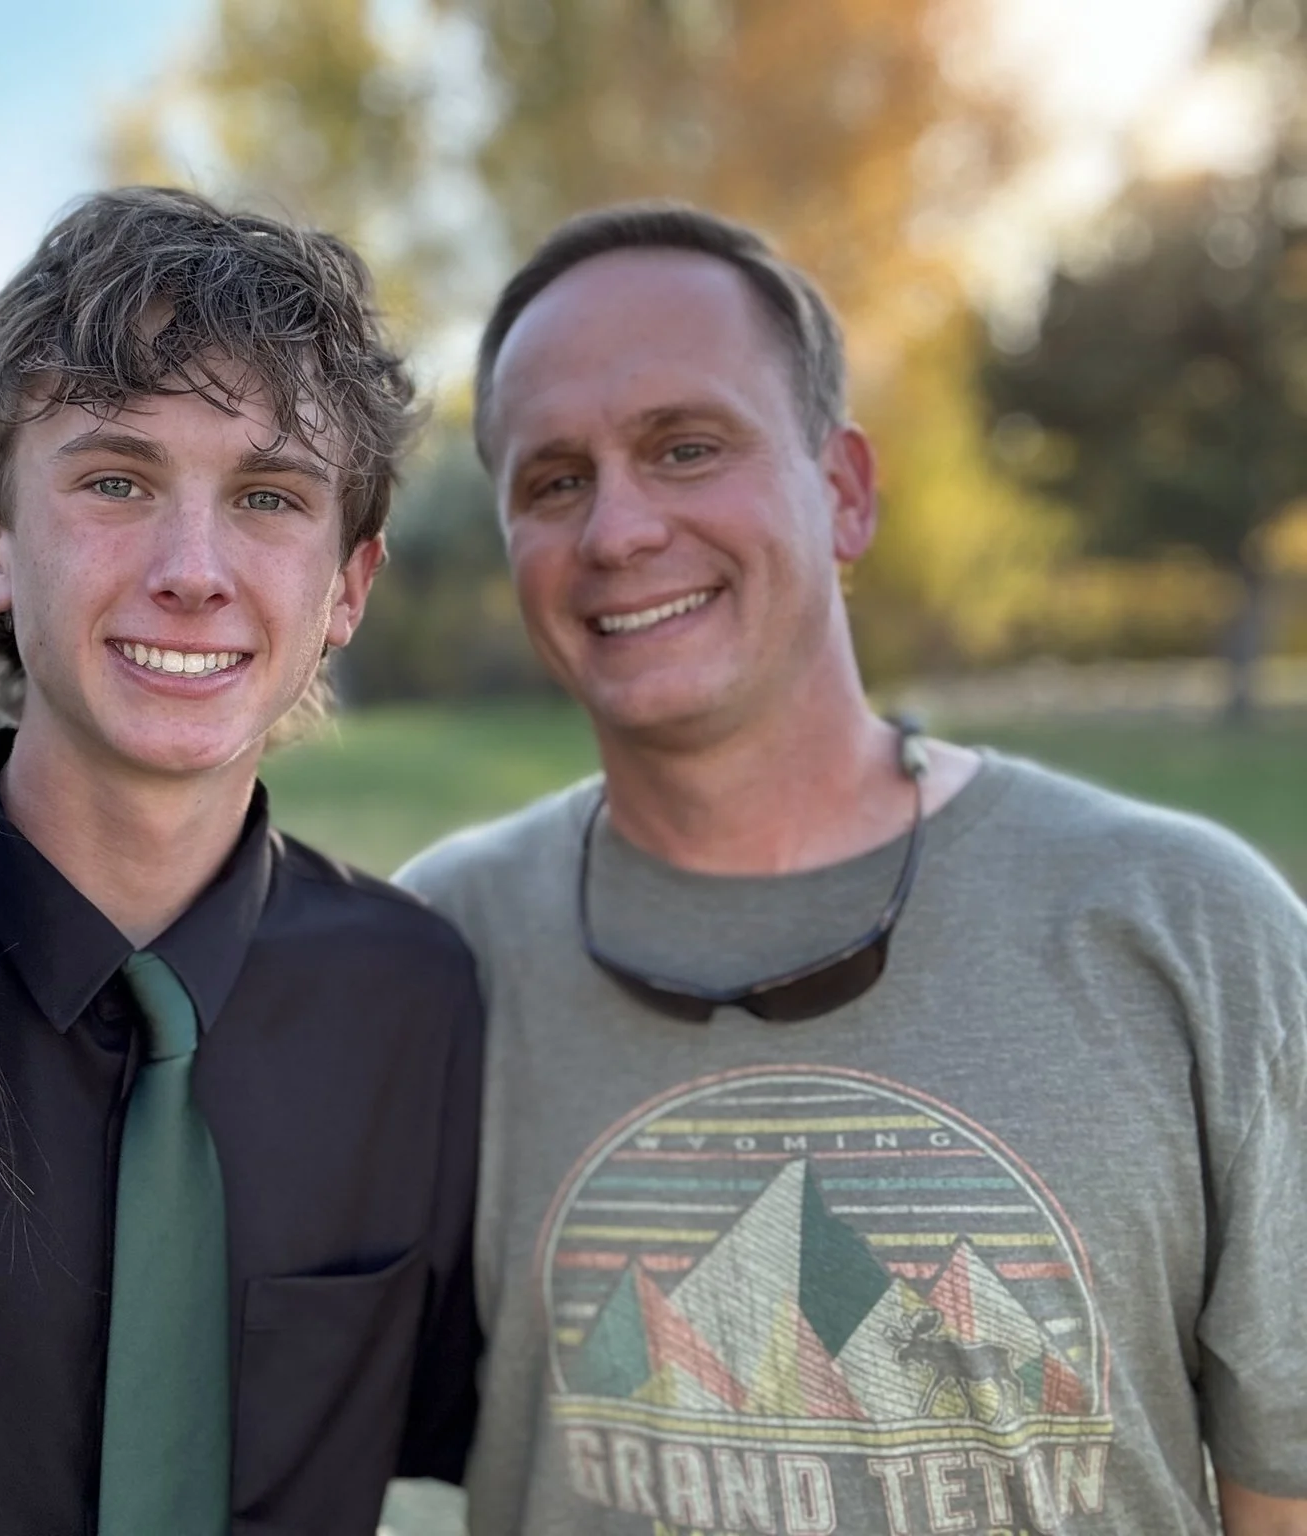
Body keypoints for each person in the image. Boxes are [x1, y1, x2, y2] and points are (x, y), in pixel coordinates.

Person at [397, 203, 1307, 1534]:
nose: (619, 529)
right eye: (553, 480)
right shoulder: (435, 949)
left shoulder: (1192, 930)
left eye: (687, 446)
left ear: (846, 491)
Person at [0, 186, 482, 1536]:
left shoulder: (417, 1003)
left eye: (268, 496)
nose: (194, 568)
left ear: (349, 590)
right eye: (118, 481)